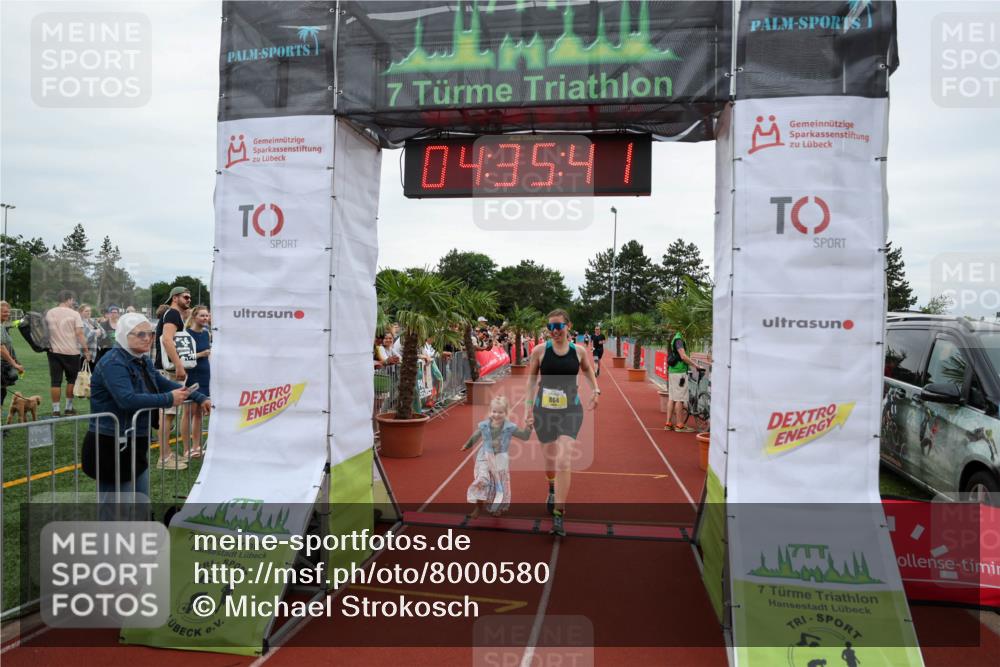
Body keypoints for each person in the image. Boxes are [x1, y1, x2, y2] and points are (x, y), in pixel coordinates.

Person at [83, 313, 211, 519]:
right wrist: (169, 399)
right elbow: (127, 399)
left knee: (140, 500)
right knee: (115, 506)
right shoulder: (113, 362)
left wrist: (198, 396)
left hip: (135, 438)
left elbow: (161, 383)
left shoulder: (141, 359)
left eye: (150, 334)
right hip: (111, 441)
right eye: (140, 334)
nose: (147, 338)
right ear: (123, 335)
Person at [524, 309, 600, 536]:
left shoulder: (578, 351)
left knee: (564, 459)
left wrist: (595, 390)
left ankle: (559, 513)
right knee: (550, 461)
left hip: (570, 411)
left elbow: (588, 369)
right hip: (544, 412)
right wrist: (528, 409)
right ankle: (551, 485)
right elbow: (531, 382)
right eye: (550, 327)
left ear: (568, 326)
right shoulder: (539, 351)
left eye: (558, 326)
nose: (554, 331)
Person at [461, 396, 532, 519]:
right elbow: (476, 435)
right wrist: (467, 445)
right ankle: (478, 507)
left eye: (500, 412)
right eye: (494, 411)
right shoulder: (484, 425)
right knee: (482, 479)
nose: (497, 415)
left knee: (499, 484)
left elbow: (524, 436)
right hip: (485, 457)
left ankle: (497, 507)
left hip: (500, 459)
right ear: (490, 411)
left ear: (506, 413)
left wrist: (529, 427)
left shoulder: (510, 427)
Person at [154, 286, 192, 469]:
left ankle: (167, 453)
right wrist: (178, 365)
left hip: (167, 369)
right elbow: (167, 339)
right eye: (186, 297)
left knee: (168, 414)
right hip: (168, 370)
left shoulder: (171, 314)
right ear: (175, 298)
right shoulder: (173, 314)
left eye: (190, 297)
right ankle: (164, 458)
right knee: (167, 414)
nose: (189, 299)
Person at [45, 290, 91, 416]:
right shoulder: (74, 314)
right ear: (69, 299)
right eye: (72, 300)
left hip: (54, 351)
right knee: (71, 380)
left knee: (55, 381)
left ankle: (55, 410)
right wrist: (86, 351)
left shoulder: (50, 312)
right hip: (72, 352)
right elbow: (79, 334)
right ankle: (68, 408)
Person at [184, 306, 212, 459]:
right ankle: (186, 449)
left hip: (205, 375)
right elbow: (184, 357)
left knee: (199, 413)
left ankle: (196, 447)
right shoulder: (186, 334)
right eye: (202, 315)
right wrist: (201, 354)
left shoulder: (206, 333)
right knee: (188, 412)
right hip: (192, 376)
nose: (205, 318)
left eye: (207, 316)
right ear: (194, 316)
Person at [664, 328, 704, 433]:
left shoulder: (675, 338)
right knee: (680, 399)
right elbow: (683, 356)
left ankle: (668, 423)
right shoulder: (679, 339)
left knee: (672, 398)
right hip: (679, 373)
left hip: (673, 371)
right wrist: (696, 365)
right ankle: (680, 425)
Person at [1, 301, 25, 408]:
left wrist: (15, 362)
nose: (7, 314)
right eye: (4, 312)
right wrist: (14, 364)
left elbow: (7, 347)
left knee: (2, 391)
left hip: (4, 364)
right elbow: (1, 348)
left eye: (8, 312)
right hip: (2, 364)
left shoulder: (3, 326)